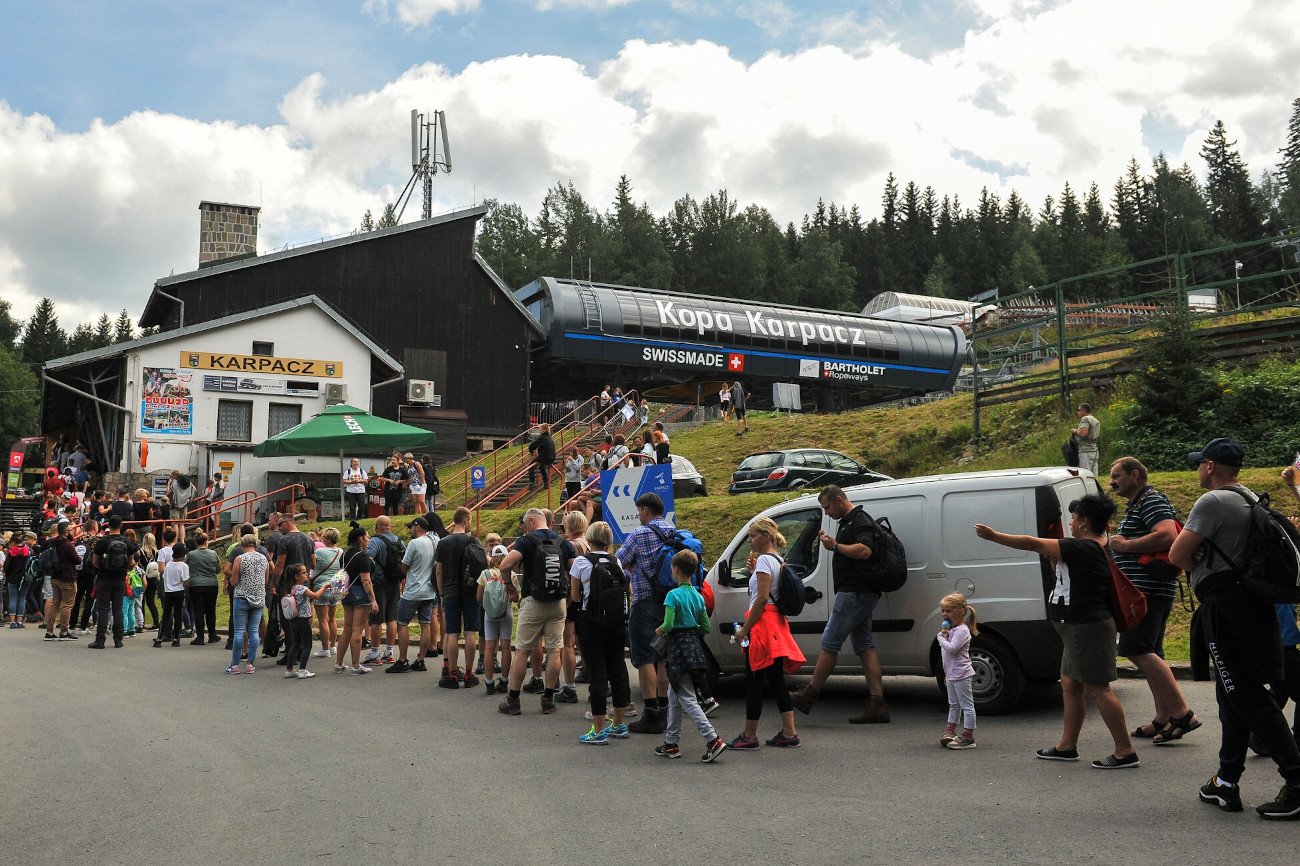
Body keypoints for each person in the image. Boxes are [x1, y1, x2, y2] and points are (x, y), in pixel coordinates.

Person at [1169, 438, 1300, 818]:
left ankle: (1296, 781)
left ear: (1210, 466)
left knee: (1246, 696)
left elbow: (1176, 554)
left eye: (1200, 463)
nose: (1197, 469)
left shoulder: (1213, 501)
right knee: (1232, 697)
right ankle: (1225, 782)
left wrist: (1196, 559)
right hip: (1254, 605)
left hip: (1226, 609)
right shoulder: (1248, 498)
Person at [976, 493, 1138, 769]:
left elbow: (1032, 543)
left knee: (1098, 688)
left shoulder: (1083, 547)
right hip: (1076, 628)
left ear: (1084, 521)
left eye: (1073, 518)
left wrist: (994, 537)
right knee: (1070, 684)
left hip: (1087, 628)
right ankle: (1067, 746)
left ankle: (1125, 751)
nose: (1071, 523)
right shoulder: (1088, 547)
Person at [1107, 457, 1200, 744]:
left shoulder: (1151, 500)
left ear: (1135, 475)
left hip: (1147, 592)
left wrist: (1125, 545)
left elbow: (1168, 536)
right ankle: (1163, 717)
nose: (1112, 482)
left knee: (1136, 648)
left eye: (1117, 476)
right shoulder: (1139, 503)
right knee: (1151, 652)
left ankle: (1182, 713)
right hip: (1149, 591)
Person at [791, 485, 891, 724]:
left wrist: (835, 545)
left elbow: (864, 550)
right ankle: (877, 703)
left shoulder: (859, 520)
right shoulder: (850, 521)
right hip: (860, 592)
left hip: (855, 592)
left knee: (830, 642)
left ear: (838, 499)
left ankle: (809, 694)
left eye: (828, 507)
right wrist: (833, 542)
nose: (827, 513)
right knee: (864, 645)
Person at [729, 517, 805, 750]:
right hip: (776, 625)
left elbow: (761, 599)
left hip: (762, 627)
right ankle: (790, 732)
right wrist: (754, 572)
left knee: (754, 681)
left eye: (753, 535)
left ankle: (749, 735)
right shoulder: (777, 559)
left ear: (766, 536)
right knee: (776, 680)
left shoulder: (764, 560)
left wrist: (745, 628)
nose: (749, 540)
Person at [496, 508, 574, 715]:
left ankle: (513, 700)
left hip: (534, 601)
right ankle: (548, 699)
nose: (524, 528)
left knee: (522, 650)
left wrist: (508, 585)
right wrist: (570, 595)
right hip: (558, 603)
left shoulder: (526, 541)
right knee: (554, 649)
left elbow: (505, 564)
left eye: (524, 523)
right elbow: (574, 568)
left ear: (531, 520)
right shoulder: (563, 542)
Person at [655, 549, 727, 762]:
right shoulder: (697, 596)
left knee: (687, 697)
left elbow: (668, 624)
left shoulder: (673, 595)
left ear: (675, 570)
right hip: (694, 647)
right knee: (674, 696)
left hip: (678, 650)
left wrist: (659, 631)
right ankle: (671, 743)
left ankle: (713, 739)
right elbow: (705, 627)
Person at [617, 493, 676, 734]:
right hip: (669, 602)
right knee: (663, 658)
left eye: (639, 511)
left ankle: (651, 714)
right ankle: (664, 710)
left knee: (644, 658)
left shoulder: (640, 533)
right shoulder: (673, 532)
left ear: (644, 510)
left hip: (645, 602)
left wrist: (633, 567)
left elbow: (619, 562)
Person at [569, 521, 630, 743]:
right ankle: (619, 723)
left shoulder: (581, 562)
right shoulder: (617, 561)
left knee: (597, 674)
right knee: (618, 668)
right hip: (616, 621)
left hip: (591, 621)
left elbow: (575, 596)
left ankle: (598, 729)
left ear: (589, 538)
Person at [434, 506, 480, 688]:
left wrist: (441, 594)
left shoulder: (443, 542)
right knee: (470, 632)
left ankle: (452, 674)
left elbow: (439, 571)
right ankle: (469, 674)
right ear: (466, 520)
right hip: (470, 590)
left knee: (452, 632)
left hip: (450, 591)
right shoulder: (473, 540)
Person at [386, 517, 438, 674]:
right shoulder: (435, 540)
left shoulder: (414, 543)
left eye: (411, 527)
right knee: (425, 624)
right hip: (429, 590)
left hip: (413, 590)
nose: (410, 530)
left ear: (418, 527)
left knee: (402, 623)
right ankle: (421, 659)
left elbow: (404, 566)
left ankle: (402, 660)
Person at [334, 525, 379, 675]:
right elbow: (366, 580)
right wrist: (373, 600)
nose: (368, 540)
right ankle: (355, 665)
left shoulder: (345, 554)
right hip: (360, 593)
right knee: (358, 630)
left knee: (347, 628)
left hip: (347, 591)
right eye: (367, 537)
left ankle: (339, 663)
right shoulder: (362, 557)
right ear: (360, 538)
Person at [938, 593, 979, 750]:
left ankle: (968, 736)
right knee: (953, 704)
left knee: (966, 705)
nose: (944, 614)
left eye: (949, 611)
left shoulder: (962, 630)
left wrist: (941, 638)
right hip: (952, 674)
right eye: (943, 610)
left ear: (961, 611)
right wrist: (947, 675)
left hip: (962, 674)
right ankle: (950, 730)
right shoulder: (953, 630)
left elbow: (952, 649)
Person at [90, 515, 134, 649]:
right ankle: (118, 639)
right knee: (118, 609)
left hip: (104, 578)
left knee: (103, 609)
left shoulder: (102, 542)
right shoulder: (127, 542)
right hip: (120, 579)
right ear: (121, 525)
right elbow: (131, 563)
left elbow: (95, 562)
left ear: (108, 525)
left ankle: (100, 639)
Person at [364, 516, 403, 666]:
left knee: (376, 618)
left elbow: (368, 558)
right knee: (392, 618)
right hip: (395, 581)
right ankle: (390, 652)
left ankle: (375, 653)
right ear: (390, 526)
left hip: (379, 582)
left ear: (377, 526)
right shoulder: (399, 540)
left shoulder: (375, 541)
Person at [477, 538, 514, 694]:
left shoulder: (485, 574)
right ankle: (504, 681)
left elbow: (478, 597)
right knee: (506, 647)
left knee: (489, 647)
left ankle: (489, 682)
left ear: (491, 557)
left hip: (489, 615)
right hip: (506, 613)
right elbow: (516, 598)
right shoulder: (510, 574)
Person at [227, 534, 268, 673]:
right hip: (259, 597)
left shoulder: (240, 559)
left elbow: (234, 581)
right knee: (254, 631)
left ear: (242, 545)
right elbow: (265, 580)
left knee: (239, 631)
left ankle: (235, 665)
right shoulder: (263, 558)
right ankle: (251, 663)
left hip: (242, 597)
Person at [282, 563, 327, 679]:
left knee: (295, 644)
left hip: (294, 620)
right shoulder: (302, 589)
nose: (306, 574)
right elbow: (315, 596)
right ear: (296, 576)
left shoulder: (292, 588)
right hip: (303, 620)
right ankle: (302, 670)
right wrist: (324, 587)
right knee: (307, 645)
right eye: (303, 572)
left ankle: (289, 669)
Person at [309, 527, 344, 661]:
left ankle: (325, 649)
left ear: (327, 539)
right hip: (335, 586)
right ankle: (333, 646)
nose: (321, 538)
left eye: (323, 537)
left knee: (323, 619)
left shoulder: (320, 551)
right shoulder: (340, 551)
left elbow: (313, 565)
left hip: (321, 587)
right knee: (332, 619)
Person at [43, 521, 80, 642]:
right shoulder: (67, 545)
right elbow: (77, 560)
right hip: (67, 577)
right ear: (66, 532)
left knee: (55, 603)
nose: (72, 532)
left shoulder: (52, 543)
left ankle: (49, 631)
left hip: (54, 576)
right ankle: (64, 631)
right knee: (67, 605)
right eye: (70, 530)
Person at [184, 531, 222, 645]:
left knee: (198, 611)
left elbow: (185, 566)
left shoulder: (191, 555)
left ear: (196, 542)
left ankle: (200, 637)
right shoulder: (213, 553)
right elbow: (218, 569)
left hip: (195, 585)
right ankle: (212, 635)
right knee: (211, 610)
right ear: (206, 541)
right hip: (211, 584)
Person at [157, 542, 189, 649]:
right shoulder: (184, 566)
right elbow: (185, 581)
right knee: (178, 615)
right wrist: (186, 588)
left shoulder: (168, 565)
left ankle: (159, 638)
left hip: (168, 592)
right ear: (182, 555)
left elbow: (164, 577)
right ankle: (176, 638)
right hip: (179, 591)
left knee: (166, 614)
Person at [5, 531, 34, 627]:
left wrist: (8, 574)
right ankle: (19, 621)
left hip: (12, 578)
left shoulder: (11, 551)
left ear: (13, 542)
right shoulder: (27, 551)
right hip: (24, 578)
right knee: (22, 599)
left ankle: (12, 622)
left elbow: (6, 566)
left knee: (13, 599)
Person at [1072, 403, 1101, 476]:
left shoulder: (1085, 418)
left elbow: (1083, 434)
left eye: (1079, 410)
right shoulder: (1095, 420)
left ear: (1084, 410)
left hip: (1085, 451)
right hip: (1094, 450)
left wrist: (1075, 431)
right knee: (1094, 476)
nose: (1077, 412)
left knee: (1085, 475)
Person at [528, 424, 557, 489]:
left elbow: (532, 445)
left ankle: (532, 483)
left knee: (530, 467)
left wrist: (531, 451)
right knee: (541, 467)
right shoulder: (550, 437)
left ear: (543, 430)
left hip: (544, 456)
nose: (539, 431)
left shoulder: (543, 437)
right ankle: (546, 483)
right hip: (552, 457)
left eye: (540, 429)